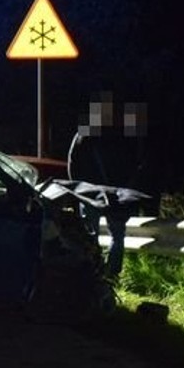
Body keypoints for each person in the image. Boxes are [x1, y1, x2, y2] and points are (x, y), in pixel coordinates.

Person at [66, 91, 151, 278]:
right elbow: (138, 162)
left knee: (89, 235)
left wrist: (77, 188)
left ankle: (91, 272)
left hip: (89, 193)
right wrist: (129, 186)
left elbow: (73, 161)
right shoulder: (125, 133)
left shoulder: (85, 133)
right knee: (117, 235)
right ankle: (112, 274)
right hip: (118, 194)